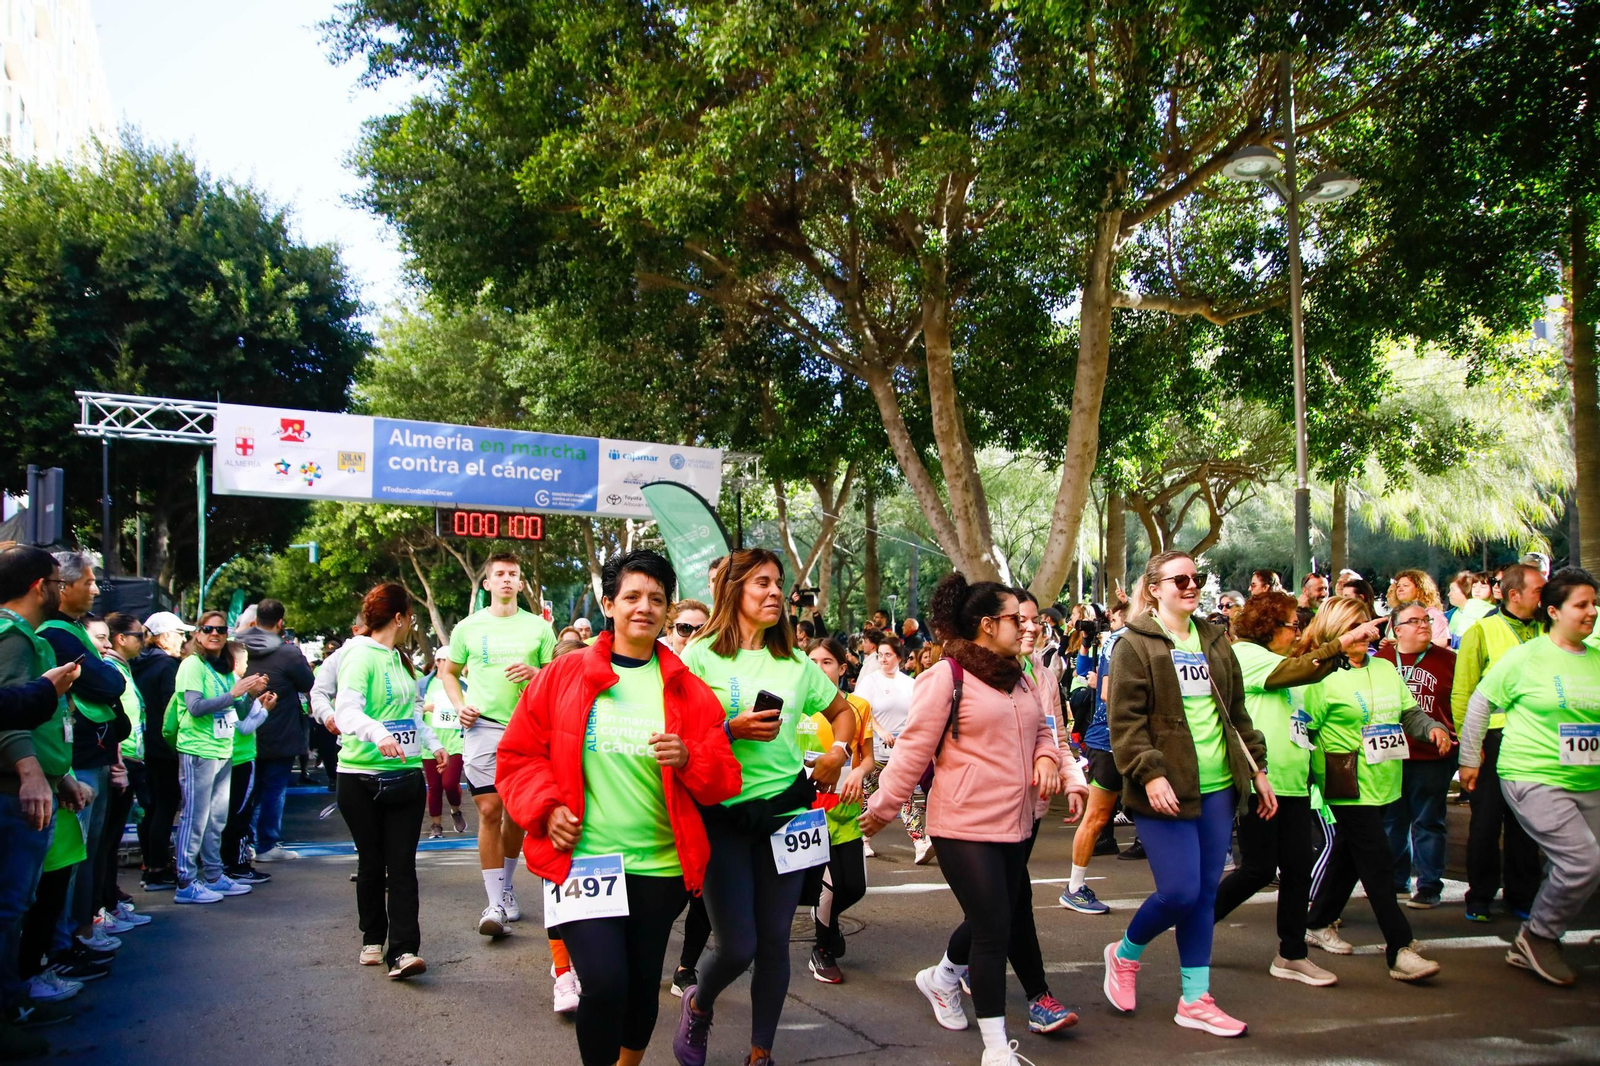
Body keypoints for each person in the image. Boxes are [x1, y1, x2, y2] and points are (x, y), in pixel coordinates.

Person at [500, 549, 740, 1066]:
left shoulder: (693, 693)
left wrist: (690, 756)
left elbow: (723, 779)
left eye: (656, 599)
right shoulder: (560, 677)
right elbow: (518, 755)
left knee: (637, 988)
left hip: (661, 868)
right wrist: (544, 810)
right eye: (631, 596)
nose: (644, 608)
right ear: (608, 604)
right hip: (584, 862)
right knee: (605, 983)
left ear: (668, 610)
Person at [861, 573, 1064, 1064]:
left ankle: (941, 979)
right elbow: (912, 751)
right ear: (988, 624)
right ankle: (996, 1049)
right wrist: (882, 809)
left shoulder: (1019, 675)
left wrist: (1048, 760)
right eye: (1017, 618)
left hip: (1017, 822)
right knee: (994, 928)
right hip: (961, 825)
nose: (1026, 626)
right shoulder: (945, 677)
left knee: (991, 917)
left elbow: (1042, 731)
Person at [673, 548, 858, 1066]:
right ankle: (699, 1003)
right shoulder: (698, 655)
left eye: (779, 584)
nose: (776, 593)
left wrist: (838, 753)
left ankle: (761, 1054)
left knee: (776, 942)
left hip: (788, 816)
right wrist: (729, 730)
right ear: (733, 590)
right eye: (762, 583)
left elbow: (843, 713)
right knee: (737, 946)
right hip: (722, 816)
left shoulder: (796, 664)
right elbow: (676, 734)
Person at [1101, 550, 1275, 1037]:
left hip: (1220, 786)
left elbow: (1237, 712)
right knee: (1178, 891)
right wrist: (1150, 773)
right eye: (1179, 579)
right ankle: (1125, 953)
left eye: (1195, 578)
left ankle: (1195, 999)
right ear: (1154, 587)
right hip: (1164, 789)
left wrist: (1257, 769)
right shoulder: (1134, 644)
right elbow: (1125, 723)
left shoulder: (1216, 638)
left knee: (1203, 896)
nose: (1190, 586)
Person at [1212, 591, 1376, 985]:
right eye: (1292, 624)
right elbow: (1296, 672)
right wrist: (1341, 645)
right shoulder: (1247, 656)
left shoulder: (1290, 664)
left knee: (1298, 871)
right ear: (1270, 625)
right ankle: (1198, 920)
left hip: (1295, 785)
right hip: (1261, 783)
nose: (1297, 631)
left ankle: (1292, 954)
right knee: (1257, 868)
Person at [1459, 567, 1600, 986]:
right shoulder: (1526, 657)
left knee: (1585, 863)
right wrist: (1470, 759)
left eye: (1595, 604)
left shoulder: (1596, 660)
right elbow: (1480, 702)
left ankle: (1540, 928)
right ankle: (1538, 937)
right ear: (1554, 611)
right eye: (1582, 605)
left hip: (1588, 780)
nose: (1591, 612)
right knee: (1582, 861)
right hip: (1531, 774)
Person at [1301, 596, 1451, 980]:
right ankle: (1399, 947)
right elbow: (1304, 732)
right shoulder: (1319, 676)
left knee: (1352, 854)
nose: (1365, 630)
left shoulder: (1385, 668)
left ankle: (1316, 922)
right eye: (1355, 624)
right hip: (1345, 782)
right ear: (1335, 630)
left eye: (1366, 622)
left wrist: (1431, 727)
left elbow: (1408, 711)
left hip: (1386, 778)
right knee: (1378, 860)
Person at [439, 553, 557, 936]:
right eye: (500, 575)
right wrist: (461, 706)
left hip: (526, 728)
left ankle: (507, 891)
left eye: (514, 575)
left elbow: (557, 678)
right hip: (483, 727)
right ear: (487, 583)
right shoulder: (468, 628)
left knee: (516, 815)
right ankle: (493, 903)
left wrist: (536, 672)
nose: (507, 580)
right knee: (489, 809)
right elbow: (450, 672)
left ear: (521, 584)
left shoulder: (538, 628)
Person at [334, 583, 448, 978]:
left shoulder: (401, 660)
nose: (411, 621)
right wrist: (377, 735)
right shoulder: (358, 656)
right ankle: (372, 936)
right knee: (372, 863)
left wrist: (432, 743)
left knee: (401, 866)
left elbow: (412, 712)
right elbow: (346, 710)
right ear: (398, 618)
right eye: (410, 615)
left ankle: (403, 951)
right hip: (358, 779)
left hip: (405, 778)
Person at [0, 548, 86, 1052]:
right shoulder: (12, 638)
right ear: (39, 586)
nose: (72, 588)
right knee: (8, 908)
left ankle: (14, 1000)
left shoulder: (24, 636)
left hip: (34, 786)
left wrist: (60, 775)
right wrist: (31, 772)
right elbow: (8, 715)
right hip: (14, 793)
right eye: (60, 580)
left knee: (16, 905)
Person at [38, 555, 128, 955]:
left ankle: (76, 934)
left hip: (83, 762)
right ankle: (63, 945)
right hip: (72, 764)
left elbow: (112, 682)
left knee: (84, 855)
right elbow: (107, 681)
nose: (95, 589)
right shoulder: (55, 635)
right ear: (59, 585)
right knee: (68, 863)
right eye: (89, 582)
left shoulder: (69, 632)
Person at [1452, 561, 1546, 922]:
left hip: (1535, 739)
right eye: (1538, 589)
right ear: (1513, 594)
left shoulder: (1546, 629)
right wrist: (1469, 750)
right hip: (1492, 738)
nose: (1544, 595)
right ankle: (1479, 896)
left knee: (1528, 822)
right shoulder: (1482, 631)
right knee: (1487, 821)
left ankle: (1522, 895)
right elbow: (1464, 692)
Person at [165, 609, 271, 904]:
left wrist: (251, 696)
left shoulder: (221, 668)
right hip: (198, 750)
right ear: (197, 634)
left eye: (221, 630)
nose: (215, 634)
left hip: (222, 750)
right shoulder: (192, 665)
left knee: (216, 819)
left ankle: (213, 874)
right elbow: (195, 706)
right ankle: (186, 881)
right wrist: (236, 692)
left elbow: (234, 712)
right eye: (208, 629)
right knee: (195, 818)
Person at [798, 638, 873, 984]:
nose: (817, 668)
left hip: (846, 809)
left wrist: (858, 771)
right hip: (809, 812)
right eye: (811, 661)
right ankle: (822, 948)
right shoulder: (795, 705)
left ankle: (825, 918)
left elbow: (867, 756)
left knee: (854, 887)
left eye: (826, 662)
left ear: (842, 669)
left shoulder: (858, 707)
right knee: (827, 885)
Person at [1374, 600, 1458, 908]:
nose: (1424, 625)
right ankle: (1397, 880)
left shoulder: (1449, 660)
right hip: (1391, 754)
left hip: (1433, 755)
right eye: (1415, 621)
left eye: (1426, 620)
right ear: (1397, 630)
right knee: (1394, 822)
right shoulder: (1380, 659)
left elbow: (1460, 703)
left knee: (1428, 821)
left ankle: (1429, 885)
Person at [1060, 600, 1130, 913]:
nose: (1110, 622)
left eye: (1114, 617)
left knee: (1159, 815)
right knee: (1098, 816)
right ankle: (1075, 886)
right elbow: (1099, 688)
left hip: (1131, 742)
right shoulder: (1118, 642)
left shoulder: (1122, 640)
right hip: (1110, 740)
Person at [238, 598, 315, 864]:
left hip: (245, 731)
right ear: (281, 623)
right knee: (273, 790)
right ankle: (267, 844)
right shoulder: (288, 652)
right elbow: (308, 682)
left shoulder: (241, 647)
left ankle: (243, 844)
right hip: (280, 730)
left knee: (248, 791)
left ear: (255, 621)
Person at [95, 614, 152, 931]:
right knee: (103, 843)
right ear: (122, 638)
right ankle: (100, 909)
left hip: (129, 759)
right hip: (119, 760)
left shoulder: (120, 668)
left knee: (111, 841)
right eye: (138, 635)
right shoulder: (108, 668)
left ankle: (109, 903)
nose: (143, 641)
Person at [131, 611, 191, 889]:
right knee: (165, 807)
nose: (184, 639)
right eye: (180, 634)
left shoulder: (138, 664)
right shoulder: (168, 666)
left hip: (146, 747)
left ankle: (152, 865)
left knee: (153, 807)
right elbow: (173, 708)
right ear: (164, 637)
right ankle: (157, 868)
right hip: (165, 746)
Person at [854, 633, 927, 862]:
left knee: (904, 794)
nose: (883, 659)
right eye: (880, 655)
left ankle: (919, 842)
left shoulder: (910, 684)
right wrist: (880, 730)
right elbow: (861, 710)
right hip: (873, 748)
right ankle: (863, 839)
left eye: (888, 655)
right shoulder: (870, 681)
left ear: (899, 658)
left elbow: (919, 714)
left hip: (900, 750)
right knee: (869, 794)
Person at [220, 637, 275, 887]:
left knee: (230, 813)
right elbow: (244, 726)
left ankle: (227, 863)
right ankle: (237, 865)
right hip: (240, 758)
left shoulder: (225, 683)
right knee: (239, 814)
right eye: (245, 662)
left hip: (230, 757)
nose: (247, 668)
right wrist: (264, 711)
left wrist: (258, 704)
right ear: (237, 662)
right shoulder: (234, 686)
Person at [420, 648, 466, 840]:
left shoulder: (464, 685)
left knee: (449, 782)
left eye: (448, 660)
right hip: (430, 743)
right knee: (434, 786)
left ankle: (456, 811)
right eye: (440, 660)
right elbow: (410, 708)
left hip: (456, 741)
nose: (444, 663)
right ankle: (436, 825)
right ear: (435, 662)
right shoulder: (423, 685)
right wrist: (426, 708)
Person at [1385, 571, 1450, 647]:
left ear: (1419, 588)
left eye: (1405, 585)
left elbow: (1443, 641)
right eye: (1398, 586)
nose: (1400, 589)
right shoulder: (1396, 615)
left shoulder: (1432, 614)